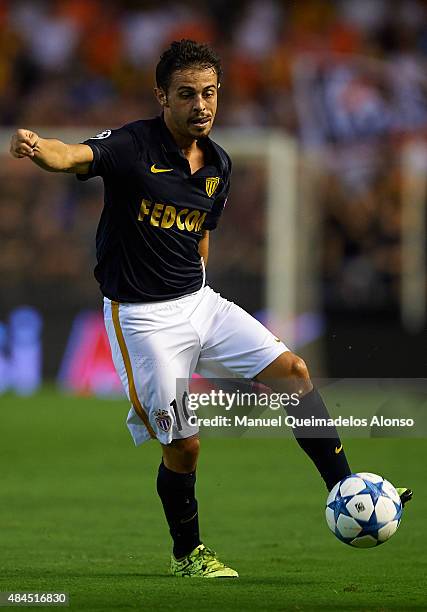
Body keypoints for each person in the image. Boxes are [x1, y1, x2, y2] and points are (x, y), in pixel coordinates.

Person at [10, 39, 412, 578]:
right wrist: (40, 148)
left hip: (201, 302)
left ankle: (344, 485)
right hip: (144, 319)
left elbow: (202, 233)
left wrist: (201, 288)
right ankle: (188, 554)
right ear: (163, 97)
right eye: (187, 95)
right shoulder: (133, 145)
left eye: (209, 94)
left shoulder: (218, 163)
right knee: (185, 446)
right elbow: (74, 154)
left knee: (294, 372)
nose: (201, 105)